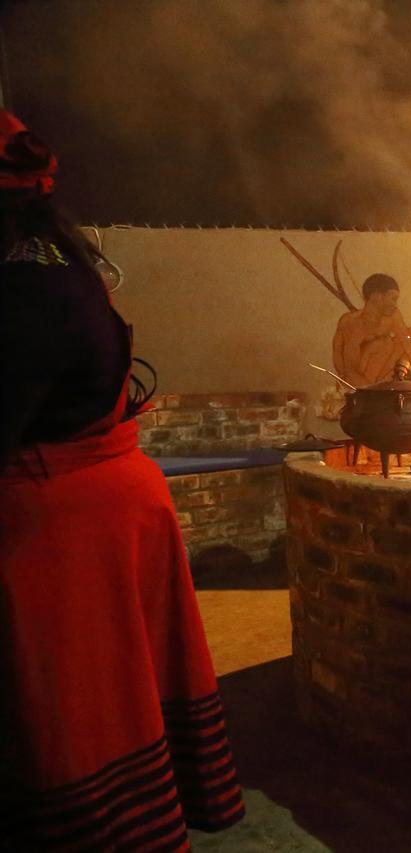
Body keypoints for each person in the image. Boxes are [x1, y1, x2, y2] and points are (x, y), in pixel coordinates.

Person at [0, 110, 245, 848]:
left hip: (60, 526)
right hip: (96, 505)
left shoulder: (25, 290)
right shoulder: (48, 260)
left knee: (76, 717)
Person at [332, 272, 411, 387]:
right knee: (382, 344)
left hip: (382, 372)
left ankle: (399, 373)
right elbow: (350, 370)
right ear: (376, 296)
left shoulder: (392, 316)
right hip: (359, 381)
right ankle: (379, 386)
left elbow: (409, 346)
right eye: (393, 299)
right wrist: (370, 393)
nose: (395, 305)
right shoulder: (352, 323)